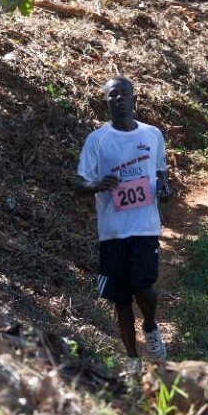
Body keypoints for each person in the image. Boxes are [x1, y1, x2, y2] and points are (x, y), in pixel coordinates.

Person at [75, 76, 171, 374]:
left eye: (124, 93)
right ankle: (132, 358)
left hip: (144, 228)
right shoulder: (97, 140)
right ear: (106, 102)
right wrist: (98, 185)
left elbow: (161, 173)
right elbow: (79, 184)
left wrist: (165, 188)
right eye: (113, 95)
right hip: (112, 232)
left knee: (144, 286)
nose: (119, 98)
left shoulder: (152, 134)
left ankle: (151, 326)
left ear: (134, 99)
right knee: (121, 299)